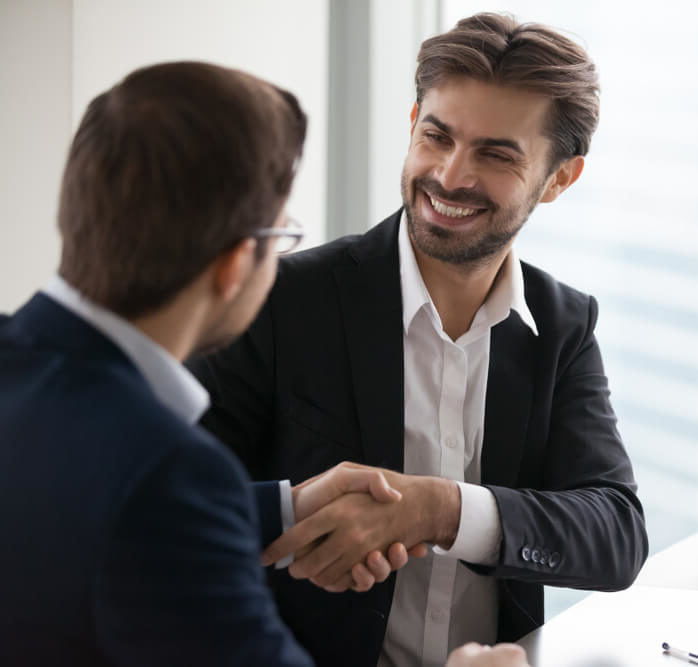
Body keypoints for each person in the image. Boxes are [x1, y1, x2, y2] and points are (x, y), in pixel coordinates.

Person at [0, 61, 527, 667]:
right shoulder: (167, 471)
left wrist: (283, 508)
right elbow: (149, 507)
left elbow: (78, 502)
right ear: (233, 266)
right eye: (281, 236)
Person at [190, 12, 649, 667]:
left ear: (559, 179)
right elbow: (172, 510)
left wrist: (440, 509)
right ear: (412, 125)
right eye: (437, 136)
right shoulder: (281, 299)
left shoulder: (563, 325)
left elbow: (614, 533)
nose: (451, 175)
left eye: (496, 153)